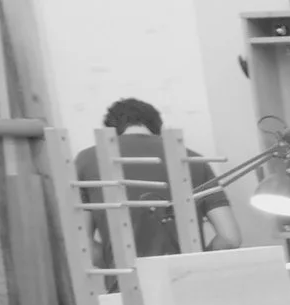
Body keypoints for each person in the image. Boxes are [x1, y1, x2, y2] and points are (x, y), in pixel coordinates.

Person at [71, 97, 241, 269]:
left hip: (126, 286)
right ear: (158, 128)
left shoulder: (87, 160)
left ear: (110, 130)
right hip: (187, 282)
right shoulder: (192, 159)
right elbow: (230, 237)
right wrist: (195, 263)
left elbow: (82, 245)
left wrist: (114, 266)